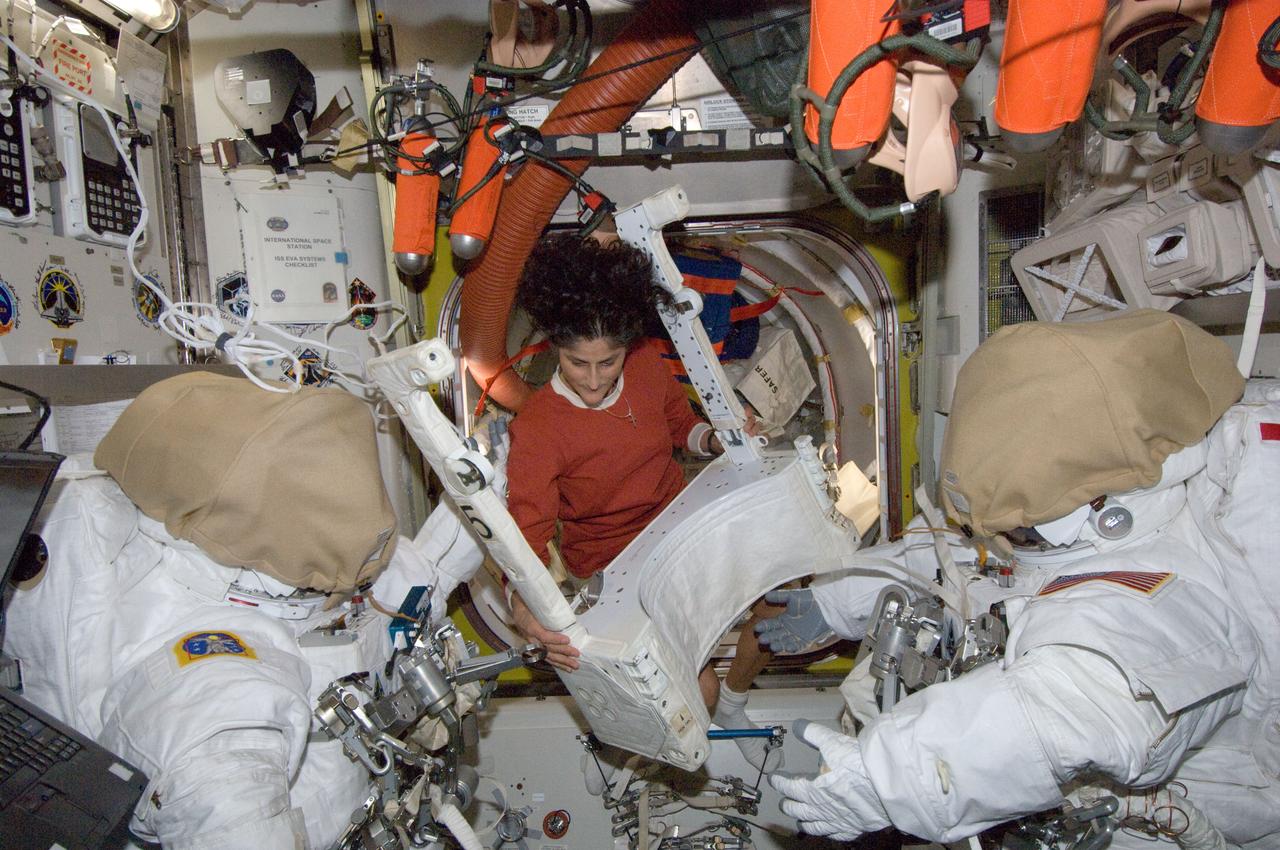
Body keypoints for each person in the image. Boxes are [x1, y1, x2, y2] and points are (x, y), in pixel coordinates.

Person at [757, 309, 1280, 845]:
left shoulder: (1164, 591)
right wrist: (837, 601)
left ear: (1105, 508)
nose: (1009, 539)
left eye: (1022, 529)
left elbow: (1069, 710)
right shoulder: (1053, 515)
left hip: (1148, 814)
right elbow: (953, 552)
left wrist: (891, 780)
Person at [2, 372, 486, 849]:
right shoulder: (219, 704)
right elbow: (228, 812)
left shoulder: (296, 572)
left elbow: (396, 595)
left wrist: (482, 493)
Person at [503, 233, 783, 770]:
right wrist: (526, 613)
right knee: (694, 697)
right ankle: (620, 747)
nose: (591, 379)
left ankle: (737, 700)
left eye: (606, 363)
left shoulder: (650, 360)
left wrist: (715, 437)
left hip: (678, 526)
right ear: (554, 348)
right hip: (614, 565)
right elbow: (525, 536)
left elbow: (681, 427)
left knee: (782, 593)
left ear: (626, 347)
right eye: (575, 362)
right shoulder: (537, 428)